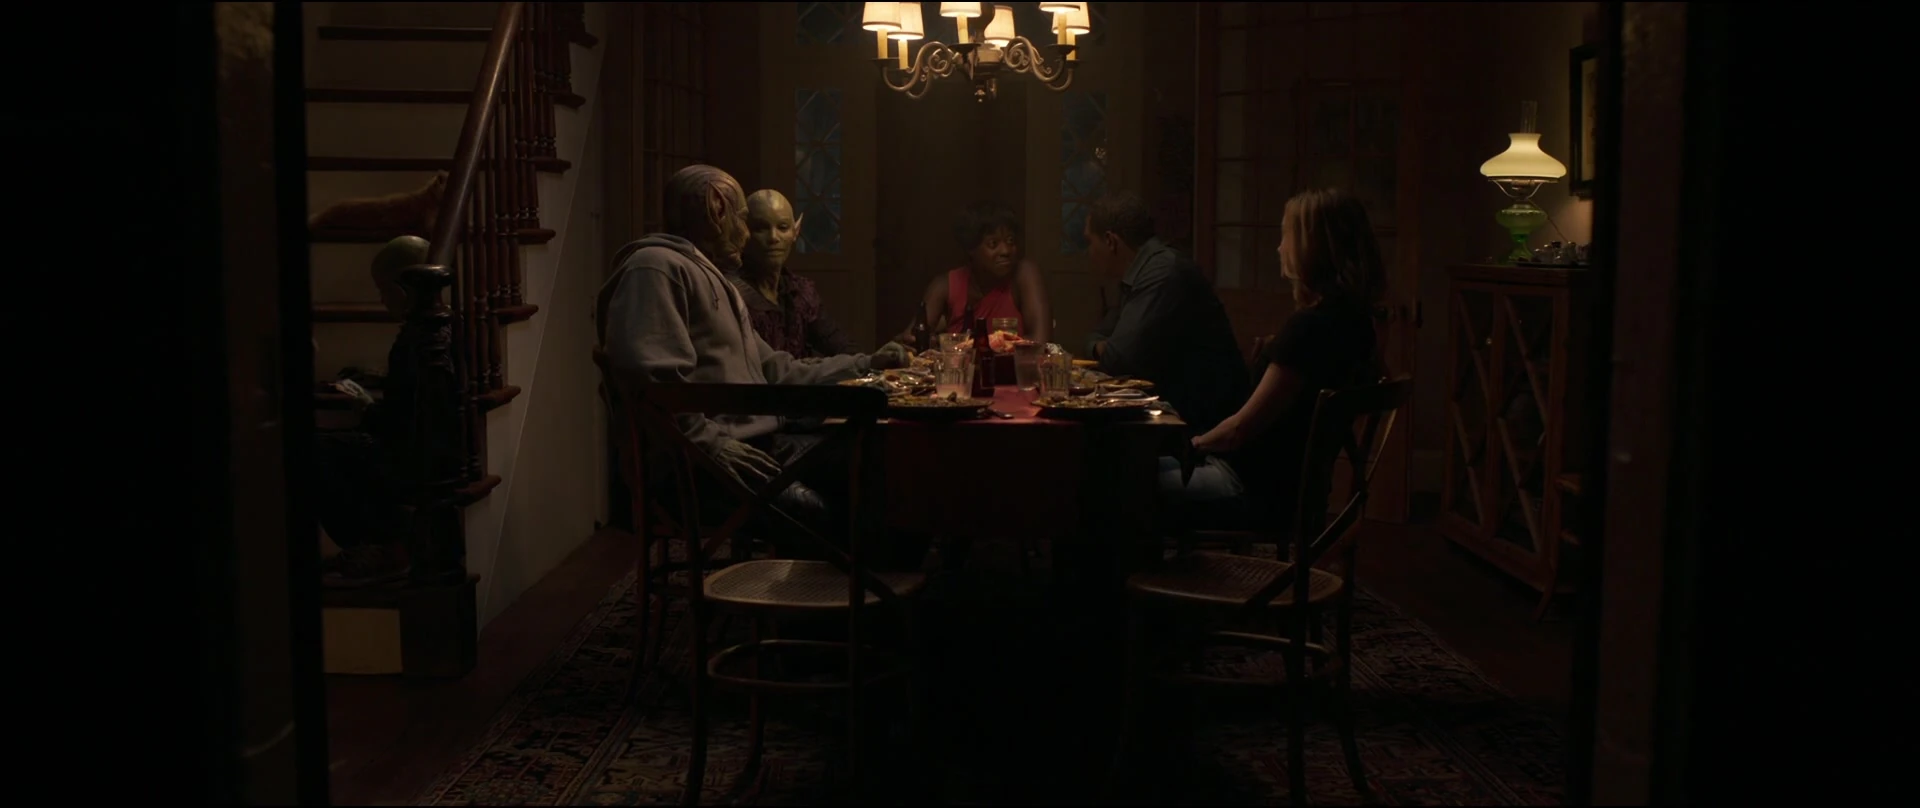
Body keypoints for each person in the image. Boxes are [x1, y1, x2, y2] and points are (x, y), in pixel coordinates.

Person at [596, 164, 913, 556]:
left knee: (881, 456)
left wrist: (868, 364)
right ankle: (848, 588)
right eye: (744, 218)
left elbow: (779, 368)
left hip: (755, 445)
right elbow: (650, 384)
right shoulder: (656, 268)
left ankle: (887, 580)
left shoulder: (715, 278)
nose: (747, 234)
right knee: (825, 512)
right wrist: (711, 445)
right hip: (698, 469)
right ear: (716, 209)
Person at [1172, 189, 1387, 529]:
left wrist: (1194, 444)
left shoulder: (1308, 329)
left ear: (1313, 247)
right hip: (1292, 491)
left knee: (1120, 484)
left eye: (1286, 235)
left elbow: (1238, 431)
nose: (1279, 247)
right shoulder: (1356, 323)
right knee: (1135, 470)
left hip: (1252, 490)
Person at [1082, 191, 1249, 436]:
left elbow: (1117, 361)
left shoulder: (1163, 273)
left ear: (1110, 241)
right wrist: (1101, 347)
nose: (1088, 252)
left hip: (1205, 431)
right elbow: (1097, 337)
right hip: (1175, 418)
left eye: (1089, 242)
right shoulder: (1138, 274)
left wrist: (1104, 348)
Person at [725, 188, 855, 359]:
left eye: (783, 227)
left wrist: (873, 361)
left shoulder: (801, 292)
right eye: (761, 228)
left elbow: (838, 343)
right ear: (743, 232)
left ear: (795, 231)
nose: (773, 237)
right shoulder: (729, 292)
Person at [913, 201, 1052, 344]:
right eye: (993, 244)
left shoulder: (1023, 273)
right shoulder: (945, 285)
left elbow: (1040, 341)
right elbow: (912, 339)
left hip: (1012, 359)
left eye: (1010, 241)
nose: (1006, 251)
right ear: (971, 248)